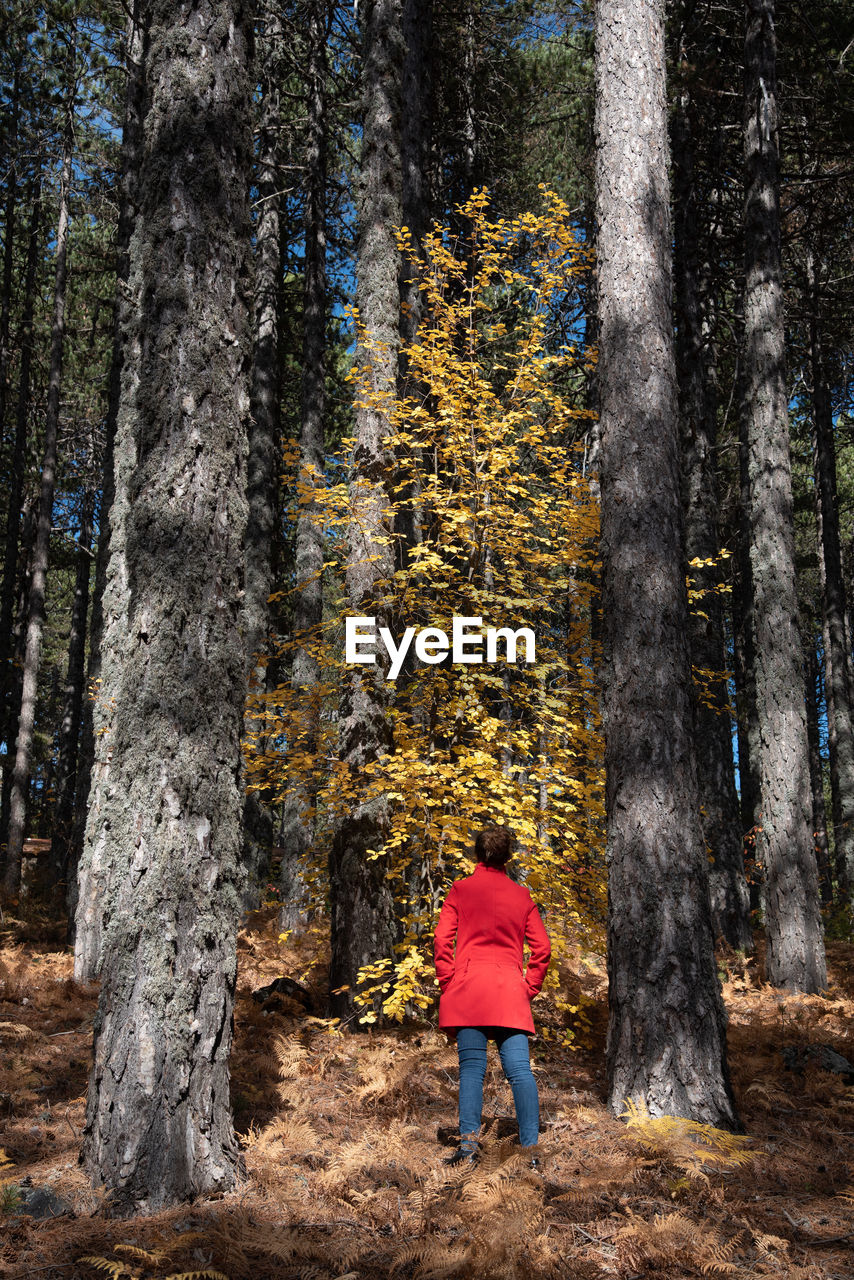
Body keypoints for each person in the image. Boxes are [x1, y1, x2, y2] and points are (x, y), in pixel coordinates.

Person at [433, 824, 551, 1166]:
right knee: (519, 1071)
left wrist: (448, 982)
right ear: (508, 857)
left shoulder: (460, 890)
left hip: (469, 992)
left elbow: (442, 941)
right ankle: (531, 1152)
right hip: (510, 995)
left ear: (476, 854)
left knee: (472, 1070)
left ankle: (468, 1147)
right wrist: (528, 986)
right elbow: (542, 948)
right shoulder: (521, 897)